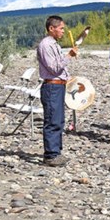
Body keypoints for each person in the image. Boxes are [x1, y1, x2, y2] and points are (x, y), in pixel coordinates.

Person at [36, 15, 77, 167]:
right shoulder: (46, 45)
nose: (63, 32)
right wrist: (69, 56)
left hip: (57, 85)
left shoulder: (53, 44)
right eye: (61, 28)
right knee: (52, 120)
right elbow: (53, 68)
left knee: (58, 119)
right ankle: (51, 155)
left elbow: (58, 67)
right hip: (52, 86)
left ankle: (56, 152)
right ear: (51, 28)